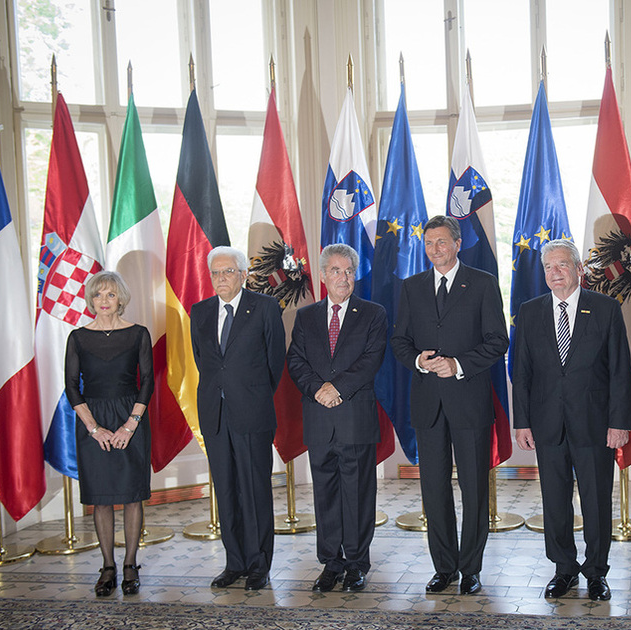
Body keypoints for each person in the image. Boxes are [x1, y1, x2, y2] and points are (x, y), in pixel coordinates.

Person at [391, 215, 509, 596]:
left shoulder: (482, 283)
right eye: (429, 243)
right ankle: (444, 567)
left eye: (442, 242)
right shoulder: (411, 287)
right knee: (434, 488)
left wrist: (457, 364)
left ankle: (471, 568)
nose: (435, 249)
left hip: (469, 400)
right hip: (428, 403)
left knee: (474, 488)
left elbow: (497, 341)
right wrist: (418, 361)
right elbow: (399, 341)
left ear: (457, 244)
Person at [512, 239, 631, 601]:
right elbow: (522, 373)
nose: (555, 272)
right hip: (547, 423)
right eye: (549, 267)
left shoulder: (606, 309)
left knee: (596, 500)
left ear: (579, 269)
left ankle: (596, 572)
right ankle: (563, 569)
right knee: (554, 500)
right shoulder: (530, 312)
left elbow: (619, 372)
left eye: (563, 265)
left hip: (595, 424)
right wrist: (522, 422)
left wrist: (619, 422)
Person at [286, 244, 387, 593]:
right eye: (335, 271)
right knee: (325, 494)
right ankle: (331, 562)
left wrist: (337, 389)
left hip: (354, 417)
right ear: (324, 275)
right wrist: (318, 390)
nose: (342, 277)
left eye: (348, 271)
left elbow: (371, 360)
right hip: (318, 418)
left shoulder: (373, 314)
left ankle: (357, 563)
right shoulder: (306, 316)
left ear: (354, 275)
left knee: (357, 493)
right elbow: (295, 360)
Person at [191, 245, 285, 591]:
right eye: (216, 273)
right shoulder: (199, 312)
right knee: (227, 491)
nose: (221, 279)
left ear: (243, 275)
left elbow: (275, 361)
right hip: (215, 415)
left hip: (253, 413)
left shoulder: (264, 308)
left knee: (254, 489)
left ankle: (259, 564)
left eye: (228, 272)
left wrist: (250, 394)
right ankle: (235, 562)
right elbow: (205, 362)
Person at [65, 271, 153, 597]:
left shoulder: (138, 334)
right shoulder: (77, 338)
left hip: (132, 418)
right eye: (98, 295)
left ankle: (130, 564)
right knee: (100, 498)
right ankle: (107, 566)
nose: (104, 301)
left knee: (132, 495)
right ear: (91, 300)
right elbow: (72, 388)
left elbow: (148, 382)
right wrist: (94, 429)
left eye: (110, 295)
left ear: (121, 299)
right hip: (93, 423)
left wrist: (130, 425)